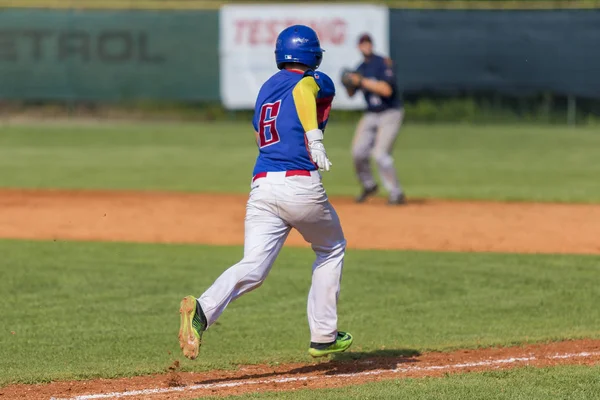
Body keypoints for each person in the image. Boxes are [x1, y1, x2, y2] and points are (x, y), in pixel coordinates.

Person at [178, 25, 353, 360]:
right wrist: (314, 139)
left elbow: (260, 134)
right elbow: (304, 90)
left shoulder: (265, 89)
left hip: (262, 185)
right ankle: (323, 335)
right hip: (300, 183)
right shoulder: (316, 79)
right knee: (331, 248)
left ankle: (202, 310)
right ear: (313, 55)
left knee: (253, 267)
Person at [344, 33, 406, 205]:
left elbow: (386, 90)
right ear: (359, 47)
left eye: (368, 43)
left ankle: (396, 193)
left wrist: (361, 81)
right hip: (371, 114)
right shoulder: (360, 68)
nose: (366, 46)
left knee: (380, 154)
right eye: (363, 43)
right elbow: (350, 94)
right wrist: (348, 83)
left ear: (372, 44)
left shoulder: (383, 63)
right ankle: (369, 185)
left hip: (390, 113)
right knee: (358, 152)